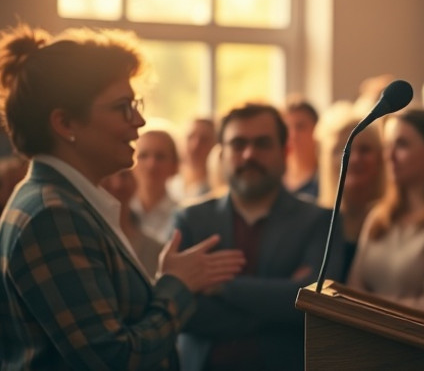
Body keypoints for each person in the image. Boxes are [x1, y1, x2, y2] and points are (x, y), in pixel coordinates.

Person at [0, 24, 245, 369]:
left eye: (136, 104)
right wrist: (176, 286)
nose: (139, 120)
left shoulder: (68, 202)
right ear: (65, 123)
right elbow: (115, 359)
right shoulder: (52, 215)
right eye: (122, 107)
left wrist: (166, 281)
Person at [175, 102, 343, 371]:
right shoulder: (190, 220)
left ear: (285, 151)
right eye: (238, 144)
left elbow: (317, 307)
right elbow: (182, 311)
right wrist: (283, 298)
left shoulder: (321, 221)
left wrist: (222, 286)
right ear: (222, 154)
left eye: (262, 144)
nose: (249, 154)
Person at [347, 109, 424, 318]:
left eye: (402, 145)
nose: (389, 156)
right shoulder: (378, 214)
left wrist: (366, 305)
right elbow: (351, 289)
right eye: (387, 146)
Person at [316, 103, 387, 280]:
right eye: (343, 150)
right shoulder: (314, 221)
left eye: (364, 150)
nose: (354, 159)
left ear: (380, 158)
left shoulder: (393, 221)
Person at [101, 168, 163, 275]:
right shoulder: (93, 241)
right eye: (108, 177)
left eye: (124, 175)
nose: (117, 184)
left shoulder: (155, 248)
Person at [131, 128, 181, 243]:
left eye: (160, 157)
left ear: (175, 165)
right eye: (143, 156)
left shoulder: (182, 216)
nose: (151, 165)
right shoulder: (119, 211)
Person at [282, 96, 319, 201]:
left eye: (300, 127)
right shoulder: (273, 180)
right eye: (286, 128)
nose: (293, 135)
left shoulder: (327, 179)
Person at [170, 117, 217, 201]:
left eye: (204, 140)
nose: (195, 146)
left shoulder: (219, 190)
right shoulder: (169, 185)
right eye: (190, 137)